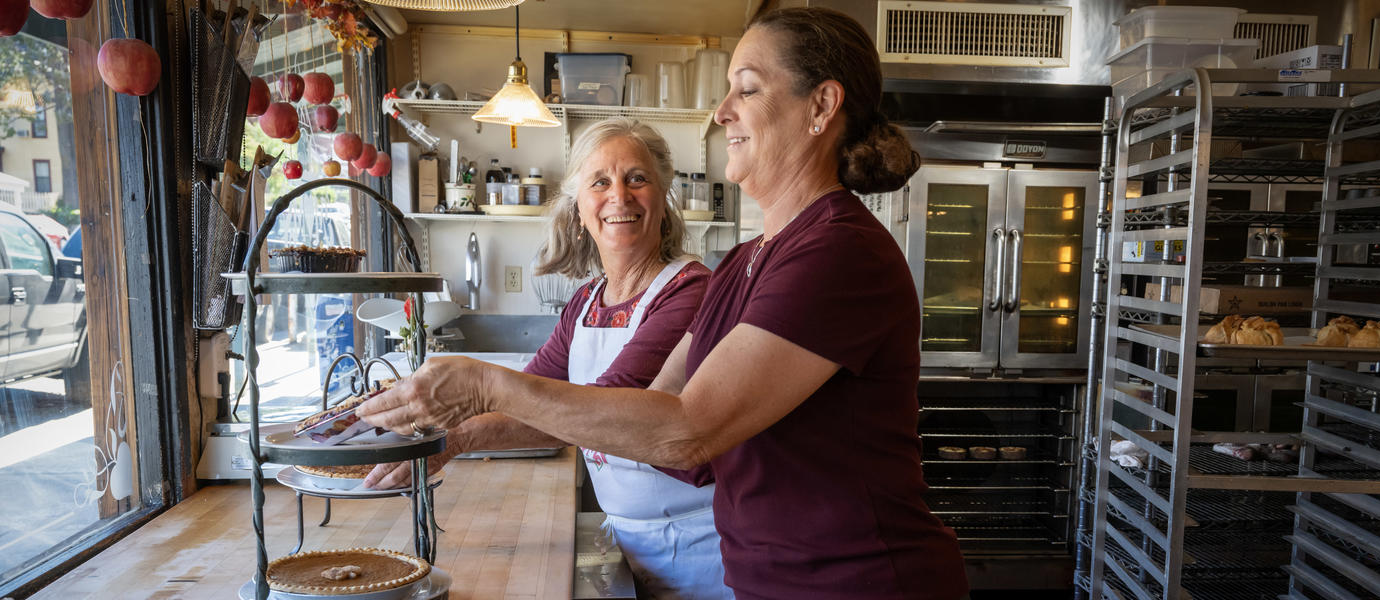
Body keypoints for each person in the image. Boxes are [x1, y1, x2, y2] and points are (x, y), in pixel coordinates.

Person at [359, 7, 969, 599]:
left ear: (821, 106)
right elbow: (658, 406)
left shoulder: (838, 252)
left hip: (857, 582)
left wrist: (488, 388)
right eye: (728, 90)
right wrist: (453, 432)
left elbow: (688, 431)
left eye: (747, 90)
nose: (722, 110)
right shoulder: (748, 259)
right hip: (768, 577)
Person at [365, 118, 729, 600]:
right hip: (631, 540)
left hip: (703, 549)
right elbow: (535, 403)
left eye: (637, 179)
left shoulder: (690, 292)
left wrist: (477, 389)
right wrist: (444, 440)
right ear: (579, 208)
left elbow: (606, 406)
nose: (619, 196)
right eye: (600, 182)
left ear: (663, 199)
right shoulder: (586, 302)